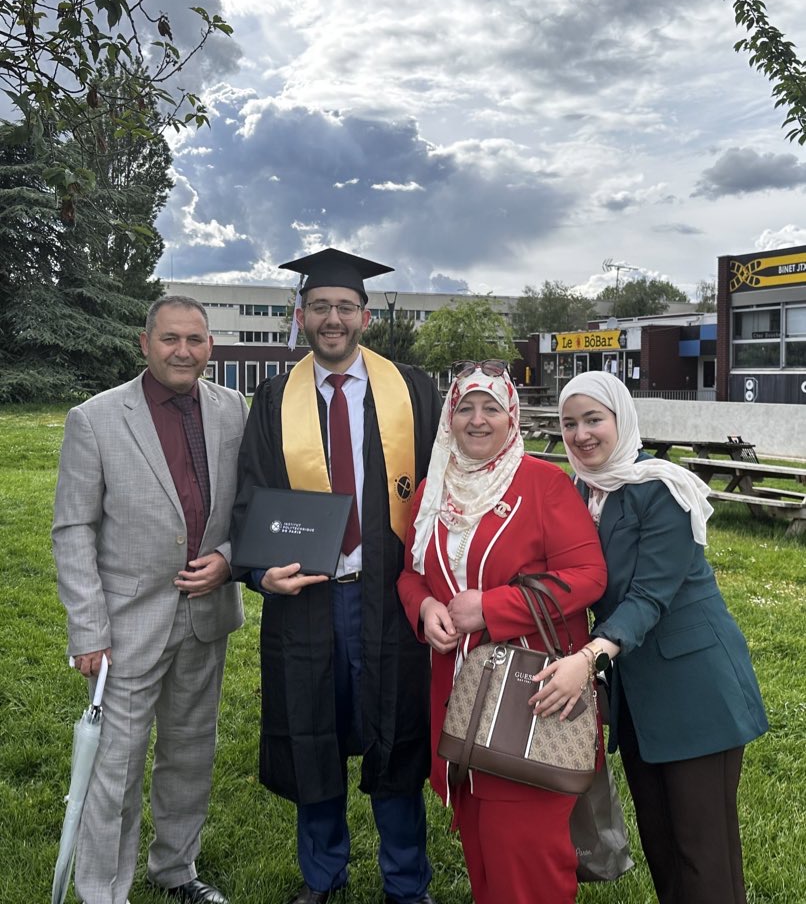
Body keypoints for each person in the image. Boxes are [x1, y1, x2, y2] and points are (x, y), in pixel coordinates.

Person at [231, 248, 442, 904]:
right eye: (320, 307)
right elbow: (251, 496)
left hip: (391, 597)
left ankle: (406, 883)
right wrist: (262, 572)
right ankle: (323, 877)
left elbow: (443, 491)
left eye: (344, 307)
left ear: (366, 317)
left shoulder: (414, 390)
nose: (332, 319)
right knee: (310, 732)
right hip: (308, 602)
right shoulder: (273, 399)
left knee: (398, 734)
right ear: (302, 314)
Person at [531, 370, 768, 904]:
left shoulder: (660, 488)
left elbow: (650, 596)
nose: (581, 434)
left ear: (622, 418)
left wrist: (589, 657)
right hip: (638, 693)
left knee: (702, 851)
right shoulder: (581, 491)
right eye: (569, 423)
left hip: (693, 688)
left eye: (594, 419)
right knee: (662, 844)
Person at [52, 295, 249, 904]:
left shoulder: (232, 410)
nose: (183, 351)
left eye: (195, 339)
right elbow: (73, 528)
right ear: (145, 343)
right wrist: (88, 629)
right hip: (125, 624)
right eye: (170, 339)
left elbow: (252, 502)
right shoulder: (96, 418)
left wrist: (232, 558)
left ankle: (176, 871)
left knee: (190, 754)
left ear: (210, 346)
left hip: (205, 617)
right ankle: (103, 890)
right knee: (115, 767)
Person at [397, 361, 608, 904]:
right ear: (450, 416)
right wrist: (423, 608)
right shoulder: (432, 490)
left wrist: (490, 609)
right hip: (457, 698)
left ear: (511, 416)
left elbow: (588, 576)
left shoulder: (544, 484)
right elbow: (411, 572)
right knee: (484, 855)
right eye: (465, 406)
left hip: (528, 699)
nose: (477, 419)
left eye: (491, 407)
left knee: (527, 861)